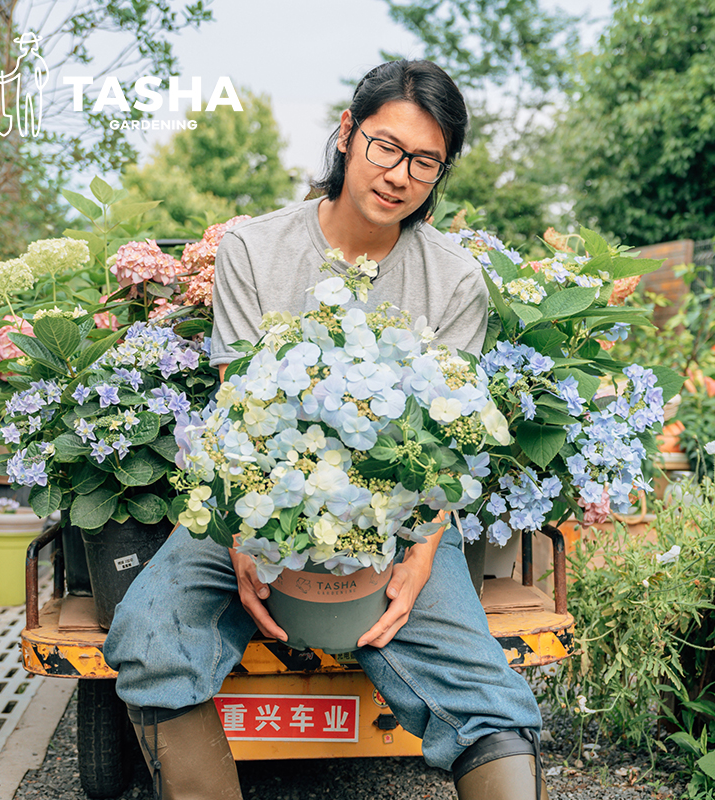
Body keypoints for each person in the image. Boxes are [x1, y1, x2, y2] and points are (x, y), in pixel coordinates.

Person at [104, 58, 548, 800]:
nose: (399, 174)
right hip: (255, 506)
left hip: (397, 521)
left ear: (439, 174)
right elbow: (236, 410)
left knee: (487, 702)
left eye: (425, 162)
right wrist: (245, 538)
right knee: (152, 639)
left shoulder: (455, 279)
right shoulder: (256, 250)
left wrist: (418, 556)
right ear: (347, 135)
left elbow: (452, 442)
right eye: (386, 146)